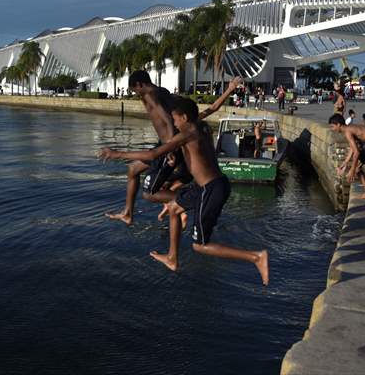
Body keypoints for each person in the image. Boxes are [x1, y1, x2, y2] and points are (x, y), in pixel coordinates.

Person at [99, 97, 269, 284]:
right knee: (173, 208)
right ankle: (172, 259)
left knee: (200, 246)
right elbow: (209, 112)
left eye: (176, 119)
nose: (174, 123)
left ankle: (256, 257)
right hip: (207, 185)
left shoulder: (186, 134)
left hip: (210, 190)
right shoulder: (201, 126)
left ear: (185, 117)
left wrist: (117, 154)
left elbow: (153, 154)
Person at [104, 70, 176, 225]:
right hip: (163, 143)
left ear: (139, 84)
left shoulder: (149, 95)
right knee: (132, 170)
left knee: (149, 193)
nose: (136, 94)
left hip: (167, 145)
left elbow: (168, 119)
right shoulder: (162, 91)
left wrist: (170, 146)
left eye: (135, 90)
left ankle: (185, 201)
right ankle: (128, 213)